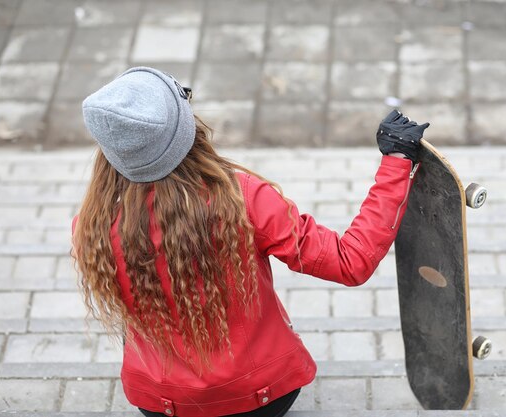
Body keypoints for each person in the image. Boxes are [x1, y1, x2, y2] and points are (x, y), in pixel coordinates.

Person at [72, 66, 429, 417]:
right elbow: (350, 262)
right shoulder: (242, 200)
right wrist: (397, 160)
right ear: (187, 132)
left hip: (163, 404)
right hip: (259, 399)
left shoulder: (90, 227)